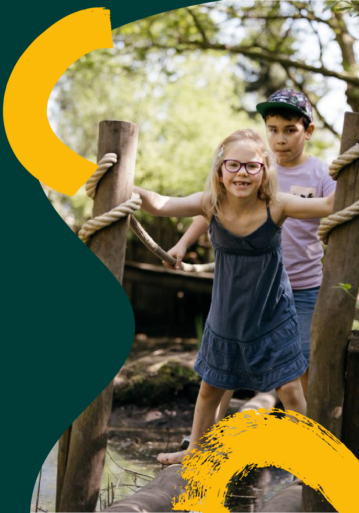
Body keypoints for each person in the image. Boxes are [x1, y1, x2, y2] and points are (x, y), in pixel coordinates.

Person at [133, 128, 335, 465]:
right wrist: (117, 182)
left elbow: (329, 205)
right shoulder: (210, 204)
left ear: (265, 171)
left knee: (289, 390)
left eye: (252, 166)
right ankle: (195, 450)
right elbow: (158, 203)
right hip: (227, 314)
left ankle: (308, 454)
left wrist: (356, 170)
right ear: (220, 170)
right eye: (234, 165)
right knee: (210, 388)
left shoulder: (277, 205)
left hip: (271, 313)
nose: (242, 172)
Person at [168, 90, 335, 426]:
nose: (280, 138)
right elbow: (213, 211)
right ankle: (203, 438)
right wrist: (184, 242)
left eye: (289, 130)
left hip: (299, 286)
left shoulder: (319, 173)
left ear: (308, 131)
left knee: (298, 364)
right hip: (250, 287)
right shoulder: (251, 169)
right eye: (272, 129)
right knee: (225, 368)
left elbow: (337, 205)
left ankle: (309, 434)